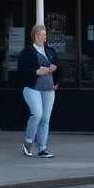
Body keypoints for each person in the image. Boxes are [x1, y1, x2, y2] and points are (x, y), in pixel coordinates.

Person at [17, 23, 58, 158]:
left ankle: (42, 148)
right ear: (35, 35)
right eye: (41, 34)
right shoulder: (27, 52)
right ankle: (28, 142)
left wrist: (55, 73)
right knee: (37, 114)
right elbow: (21, 71)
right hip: (32, 87)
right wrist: (36, 71)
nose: (44, 37)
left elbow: (59, 67)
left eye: (45, 34)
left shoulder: (50, 51)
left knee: (45, 119)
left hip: (48, 88)